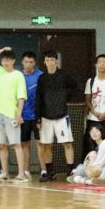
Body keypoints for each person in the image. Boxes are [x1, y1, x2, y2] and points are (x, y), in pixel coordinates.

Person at [0, 47, 28, 181]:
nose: (5, 62)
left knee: (16, 144)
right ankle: (5, 173)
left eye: (8, 60)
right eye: (3, 60)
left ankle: (21, 173)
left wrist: (19, 114)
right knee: (1, 145)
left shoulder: (18, 75)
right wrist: (2, 49)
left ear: (13, 61)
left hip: (11, 114)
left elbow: (21, 96)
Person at [35, 50, 78, 181]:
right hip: (46, 117)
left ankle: (70, 172)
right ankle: (50, 172)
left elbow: (75, 87)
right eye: (47, 60)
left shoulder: (64, 75)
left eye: (52, 60)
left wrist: (64, 97)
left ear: (56, 61)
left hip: (62, 116)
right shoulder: (42, 78)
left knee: (67, 143)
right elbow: (38, 98)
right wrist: (38, 117)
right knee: (47, 145)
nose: (50, 62)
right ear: (44, 62)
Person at [19, 51, 43, 175]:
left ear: (35, 63)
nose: (28, 64)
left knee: (40, 144)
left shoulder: (41, 75)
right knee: (24, 144)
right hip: (23, 117)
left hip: (38, 116)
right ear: (22, 63)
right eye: (26, 62)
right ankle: (26, 171)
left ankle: (44, 170)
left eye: (31, 62)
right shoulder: (18, 76)